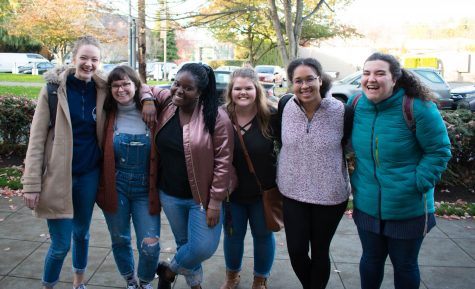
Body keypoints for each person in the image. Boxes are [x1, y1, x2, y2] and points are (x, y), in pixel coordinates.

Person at [349, 52, 451, 289]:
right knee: (370, 261)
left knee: (404, 265)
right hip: (367, 204)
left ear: (394, 78)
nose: (371, 79)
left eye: (379, 73)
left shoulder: (417, 107)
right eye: (366, 73)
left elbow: (439, 150)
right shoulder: (356, 105)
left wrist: (416, 184)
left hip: (408, 207)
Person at [21, 35, 106, 289]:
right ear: (73, 59)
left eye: (94, 59)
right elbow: (36, 140)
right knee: (60, 245)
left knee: (82, 234)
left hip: (88, 175)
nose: (88, 64)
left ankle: (78, 283)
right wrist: (31, 184)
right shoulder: (53, 90)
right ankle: (49, 285)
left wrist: (146, 98)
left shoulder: (102, 89)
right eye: (84, 58)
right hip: (58, 177)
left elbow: (136, 86)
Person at [143, 63, 234, 289]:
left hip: (201, 199)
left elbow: (224, 163)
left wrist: (215, 202)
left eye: (188, 88)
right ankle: (195, 285)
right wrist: (146, 100)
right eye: (176, 83)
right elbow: (143, 86)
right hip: (170, 194)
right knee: (185, 244)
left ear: (200, 92)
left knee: (202, 247)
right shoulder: (168, 104)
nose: (178, 91)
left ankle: (168, 271)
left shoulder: (216, 117)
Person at [276, 58, 351, 289]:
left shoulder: (341, 111)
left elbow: (348, 147)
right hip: (292, 192)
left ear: (320, 79)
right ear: (291, 84)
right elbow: (281, 143)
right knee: (297, 251)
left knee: (320, 252)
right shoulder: (285, 105)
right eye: (298, 81)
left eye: (310, 79)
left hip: (329, 195)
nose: (304, 85)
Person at [95, 65, 160, 289]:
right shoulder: (106, 112)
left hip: (146, 188)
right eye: (115, 85)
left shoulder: (153, 110)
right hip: (116, 186)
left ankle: (145, 280)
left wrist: (149, 99)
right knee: (120, 239)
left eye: (126, 84)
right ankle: (130, 279)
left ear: (136, 85)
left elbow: (167, 92)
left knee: (150, 245)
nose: (121, 89)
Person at [220, 68, 277, 289]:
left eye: (248, 88)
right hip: (231, 194)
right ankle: (232, 276)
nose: (243, 92)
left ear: (257, 89)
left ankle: (260, 279)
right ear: (230, 90)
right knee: (233, 237)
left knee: (263, 236)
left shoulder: (271, 116)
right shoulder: (220, 116)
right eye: (238, 88)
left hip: (263, 192)